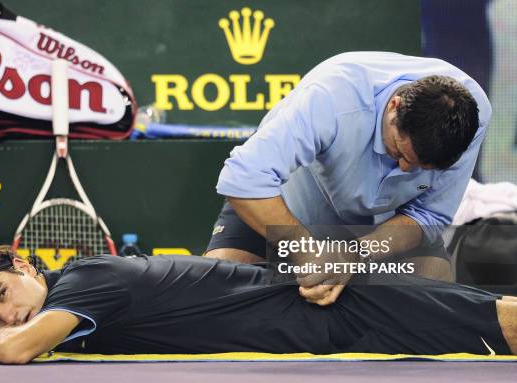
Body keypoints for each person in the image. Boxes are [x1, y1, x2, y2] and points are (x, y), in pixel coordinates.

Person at [204, 52, 490, 306]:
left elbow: (428, 214)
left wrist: (356, 254)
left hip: (379, 227)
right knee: (215, 290)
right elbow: (244, 177)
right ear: (394, 106)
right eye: (399, 153)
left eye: (419, 167)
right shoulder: (333, 97)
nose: (404, 170)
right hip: (288, 207)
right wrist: (306, 251)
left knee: (435, 293)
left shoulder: (471, 120)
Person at [0, 242, 517, 364]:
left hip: (346, 305)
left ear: (26, 265)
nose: (7, 317)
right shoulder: (74, 303)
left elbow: (17, 350)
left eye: (2, 296)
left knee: (499, 324)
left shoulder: (84, 284)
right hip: (329, 327)